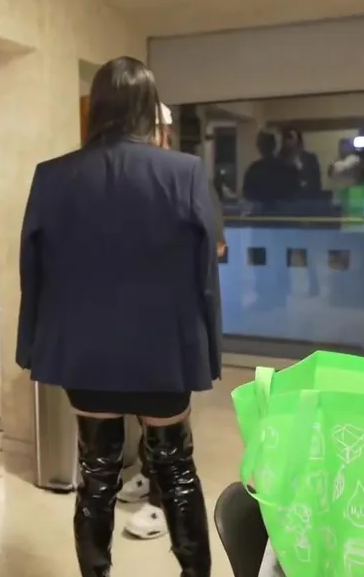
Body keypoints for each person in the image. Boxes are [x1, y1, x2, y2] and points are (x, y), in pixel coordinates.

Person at [18, 57, 220, 576]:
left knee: (97, 472)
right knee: (176, 469)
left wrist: (32, 346)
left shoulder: (53, 176)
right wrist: (207, 352)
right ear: (149, 109)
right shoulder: (183, 172)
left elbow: (33, 271)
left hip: (87, 356)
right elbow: (205, 271)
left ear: (99, 108)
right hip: (163, 353)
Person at [119, 102, 227, 543]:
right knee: (145, 407)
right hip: (133, 316)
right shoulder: (129, 181)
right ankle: (149, 474)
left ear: (163, 133)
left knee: (167, 413)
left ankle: (164, 501)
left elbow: (214, 246)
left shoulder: (185, 177)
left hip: (170, 318)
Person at [241, 129, 299, 214]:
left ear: (260, 146)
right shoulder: (290, 168)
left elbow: (247, 197)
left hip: (261, 216)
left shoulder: (254, 169)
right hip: (284, 216)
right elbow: (296, 198)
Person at [281, 126, 323, 196]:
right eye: (285, 137)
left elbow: (316, 183)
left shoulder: (310, 159)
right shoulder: (279, 161)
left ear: (298, 140)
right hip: (287, 199)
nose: (287, 140)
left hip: (307, 198)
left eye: (290, 137)